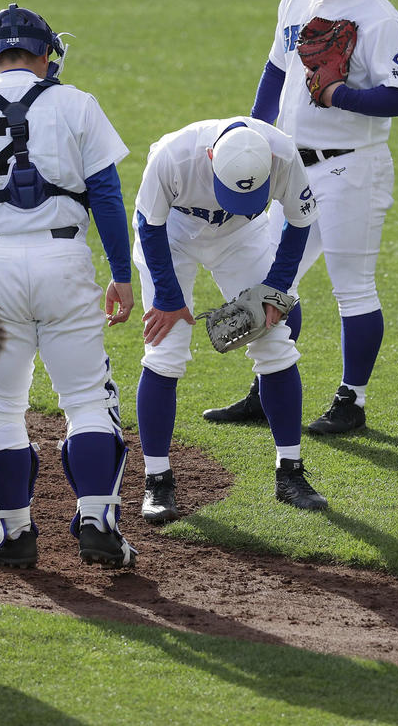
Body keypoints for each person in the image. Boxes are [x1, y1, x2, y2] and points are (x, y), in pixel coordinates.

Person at [0, 3, 138, 569]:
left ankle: (12, 536)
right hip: (66, 265)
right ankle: (99, 523)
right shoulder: (77, 103)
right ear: (46, 57)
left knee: (3, 408)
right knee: (87, 399)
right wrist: (122, 275)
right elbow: (107, 197)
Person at [203, 0, 398, 435]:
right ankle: (268, 385)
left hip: (353, 170)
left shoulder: (381, 18)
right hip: (293, 167)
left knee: (353, 287)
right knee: (273, 279)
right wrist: (254, 132)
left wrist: (339, 93)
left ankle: (352, 401)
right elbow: (276, 70)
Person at [134, 118, 326, 520]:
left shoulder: (284, 155)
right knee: (165, 351)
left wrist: (276, 288)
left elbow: (300, 221)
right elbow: (148, 226)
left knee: (276, 344)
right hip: (171, 236)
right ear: (210, 157)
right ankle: (157, 481)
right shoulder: (173, 155)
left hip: (240, 238)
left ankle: (289, 473)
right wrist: (168, 298)